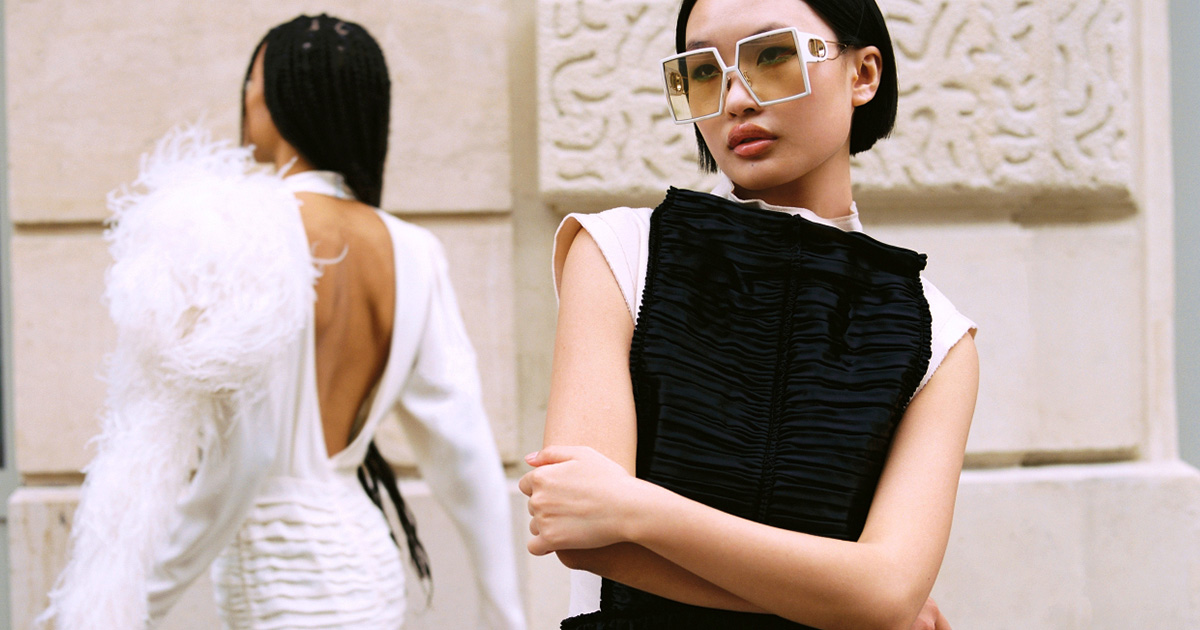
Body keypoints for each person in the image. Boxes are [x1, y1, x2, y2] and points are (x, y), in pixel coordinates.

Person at [40, 14, 526, 630]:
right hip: (368, 576)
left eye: (252, 82)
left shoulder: (245, 230)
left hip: (282, 586)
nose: (245, 99)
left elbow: (244, 460)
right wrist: (505, 612)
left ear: (276, 100)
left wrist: (118, 604)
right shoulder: (414, 250)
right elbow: (464, 450)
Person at [519, 0, 975, 628]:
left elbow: (888, 590)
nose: (735, 98)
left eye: (773, 56)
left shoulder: (938, 333)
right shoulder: (619, 252)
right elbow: (582, 533)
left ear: (864, 74)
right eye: (703, 72)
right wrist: (852, 602)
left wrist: (634, 508)